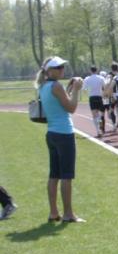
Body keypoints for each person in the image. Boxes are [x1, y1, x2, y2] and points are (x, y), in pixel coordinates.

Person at [35, 56, 84, 223]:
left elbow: (60, 104)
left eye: (62, 66)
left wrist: (69, 89)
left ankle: (54, 212)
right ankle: (68, 214)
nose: (62, 69)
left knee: (54, 175)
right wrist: (76, 90)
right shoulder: (56, 86)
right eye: (58, 67)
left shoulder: (44, 85)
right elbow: (71, 108)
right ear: (49, 71)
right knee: (66, 176)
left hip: (52, 133)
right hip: (64, 133)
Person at [83, 65, 106, 137]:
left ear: (90, 71)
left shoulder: (87, 79)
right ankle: (100, 125)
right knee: (99, 114)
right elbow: (105, 87)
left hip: (92, 97)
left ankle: (98, 131)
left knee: (94, 115)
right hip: (99, 97)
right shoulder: (101, 78)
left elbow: (84, 89)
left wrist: (88, 92)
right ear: (97, 70)